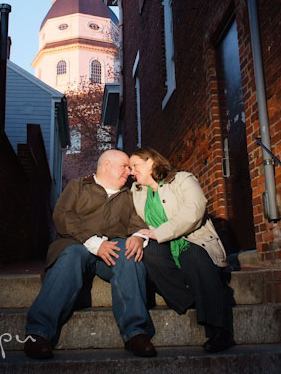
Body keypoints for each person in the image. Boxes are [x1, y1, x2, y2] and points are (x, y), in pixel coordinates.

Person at [24, 149, 156, 359]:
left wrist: (139, 237)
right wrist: (93, 242)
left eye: (131, 168)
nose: (130, 172)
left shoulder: (129, 195)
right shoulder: (79, 186)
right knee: (72, 255)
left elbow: (138, 224)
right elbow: (62, 216)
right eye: (125, 166)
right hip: (78, 245)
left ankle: (136, 333)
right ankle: (38, 332)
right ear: (106, 166)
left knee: (129, 253)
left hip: (112, 251)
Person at [129, 146, 235, 353]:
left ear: (151, 162)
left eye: (135, 165)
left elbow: (195, 209)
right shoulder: (136, 191)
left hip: (191, 237)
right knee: (148, 254)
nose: (132, 172)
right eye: (131, 168)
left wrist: (162, 232)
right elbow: (133, 220)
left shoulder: (182, 179)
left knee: (192, 256)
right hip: (160, 243)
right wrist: (139, 236)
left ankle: (219, 330)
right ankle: (193, 299)